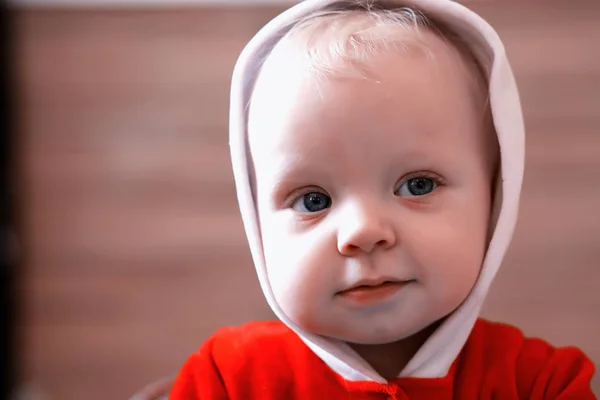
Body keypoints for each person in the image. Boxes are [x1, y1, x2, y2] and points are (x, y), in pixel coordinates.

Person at [169, 0, 597, 398]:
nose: (363, 232)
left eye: (418, 185)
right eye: (313, 200)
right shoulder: (226, 380)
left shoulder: (542, 383)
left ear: (494, 201)